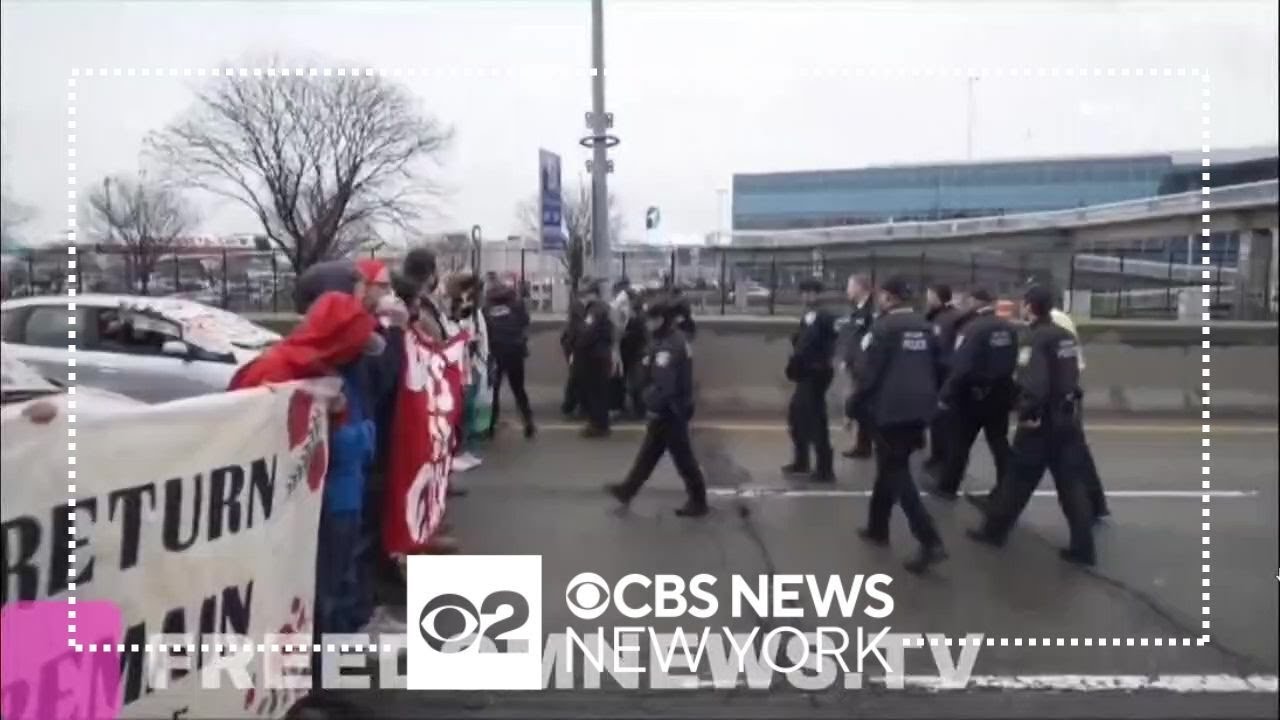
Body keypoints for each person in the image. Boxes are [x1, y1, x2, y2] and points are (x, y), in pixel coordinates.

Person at [967, 285, 1097, 566]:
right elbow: (1072, 375)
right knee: (1070, 485)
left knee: (1017, 480)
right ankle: (1084, 547)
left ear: (1029, 306)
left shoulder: (1034, 339)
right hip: (1067, 418)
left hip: (1041, 422)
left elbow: (1034, 383)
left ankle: (993, 532)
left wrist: (1027, 411)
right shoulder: (1065, 336)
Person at [849, 276, 948, 575]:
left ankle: (930, 540)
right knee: (891, 465)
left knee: (898, 473)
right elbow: (941, 367)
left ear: (888, 298)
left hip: (890, 410)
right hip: (920, 409)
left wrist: (854, 404)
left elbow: (869, 374)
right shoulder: (927, 327)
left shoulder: (882, 328)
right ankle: (878, 527)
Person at [605, 295, 708, 517]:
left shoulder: (670, 346)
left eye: (651, 319)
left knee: (683, 458)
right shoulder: (665, 340)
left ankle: (699, 500)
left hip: (670, 410)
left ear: (661, 319)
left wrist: (650, 404)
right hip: (667, 408)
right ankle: (628, 489)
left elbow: (664, 385)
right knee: (649, 454)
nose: (647, 323)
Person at [927, 287, 1017, 501]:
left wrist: (946, 394)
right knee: (999, 443)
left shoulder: (973, 328)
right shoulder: (1008, 328)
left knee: (959, 442)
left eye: (968, 301)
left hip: (972, 395)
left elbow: (962, 365)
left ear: (976, 302)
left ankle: (948, 487)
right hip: (1001, 392)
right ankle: (1008, 488)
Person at [1047, 303, 1110, 521]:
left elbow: (1063, 362)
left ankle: (1089, 509)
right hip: (1067, 391)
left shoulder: (1053, 323)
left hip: (1061, 395)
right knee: (1078, 452)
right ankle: (1095, 504)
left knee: (1073, 456)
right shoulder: (1060, 319)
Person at [782, 277, 838, 483]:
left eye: (811, 292)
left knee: (815, 420)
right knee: (798, 416)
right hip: (808, 372)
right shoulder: (810, 315)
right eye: (804, 292)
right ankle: (802, 460)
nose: (806, 296)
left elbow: (815, 344)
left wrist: (801, 362)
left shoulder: (822, 316)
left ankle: (824, 468)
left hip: (815, 373)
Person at [484, 278, 536, 438]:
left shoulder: (487, 309)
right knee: (519, 389)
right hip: (515, 351)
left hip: (495, 352)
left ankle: (490, 425)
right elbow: (525, 323)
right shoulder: (517, 305)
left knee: (494, 390)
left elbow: (484, 330)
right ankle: (528, 422)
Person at [924, 283, 963, 472]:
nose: (927, 299)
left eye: (930, 295)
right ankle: (937, 455)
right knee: (935, 419)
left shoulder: (955, 318)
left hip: (947, 374)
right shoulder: (932, 317)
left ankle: (946, 459)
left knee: (947, 420)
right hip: (934, 373)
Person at [838, 273, 876, 459]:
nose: (848, 290)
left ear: (861, 288)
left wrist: (856, 361)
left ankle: (866, 444)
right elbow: (853, 339)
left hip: (866, 367)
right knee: (861, 405)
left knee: (863, 403)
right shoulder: (858, 310)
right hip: (857, 365)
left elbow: (867, 341)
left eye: (850, 286)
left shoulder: (871, 312)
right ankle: (863, 444)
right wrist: (847, 359)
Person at [575, 278, 615, 438]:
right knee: (599, 392)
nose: (584, 297)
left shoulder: (595, 310)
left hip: (594, 357)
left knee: (595, 392)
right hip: (601, 354)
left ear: (593, 294)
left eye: (586, 294)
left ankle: (598, 425)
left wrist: (578, 344)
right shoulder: (603, 307)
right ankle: (600, 424)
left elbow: (588, 333)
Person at [618, 287, 650, 419]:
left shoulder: (639, 316)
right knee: (635, 384)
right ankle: (637, 410)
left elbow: (637, 335)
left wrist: (623, 335)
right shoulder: (637, 315)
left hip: (637, 353)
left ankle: (639, 411)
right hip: (634, 353)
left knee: (636, 384)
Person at [560, 293, 586, 418]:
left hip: (572, 349)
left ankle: (570, 405)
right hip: (576, 350)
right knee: (577, 378)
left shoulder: (573, 322)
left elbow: (567, 338)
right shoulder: (578, 322)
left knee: (575, 378)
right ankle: (571, 405)